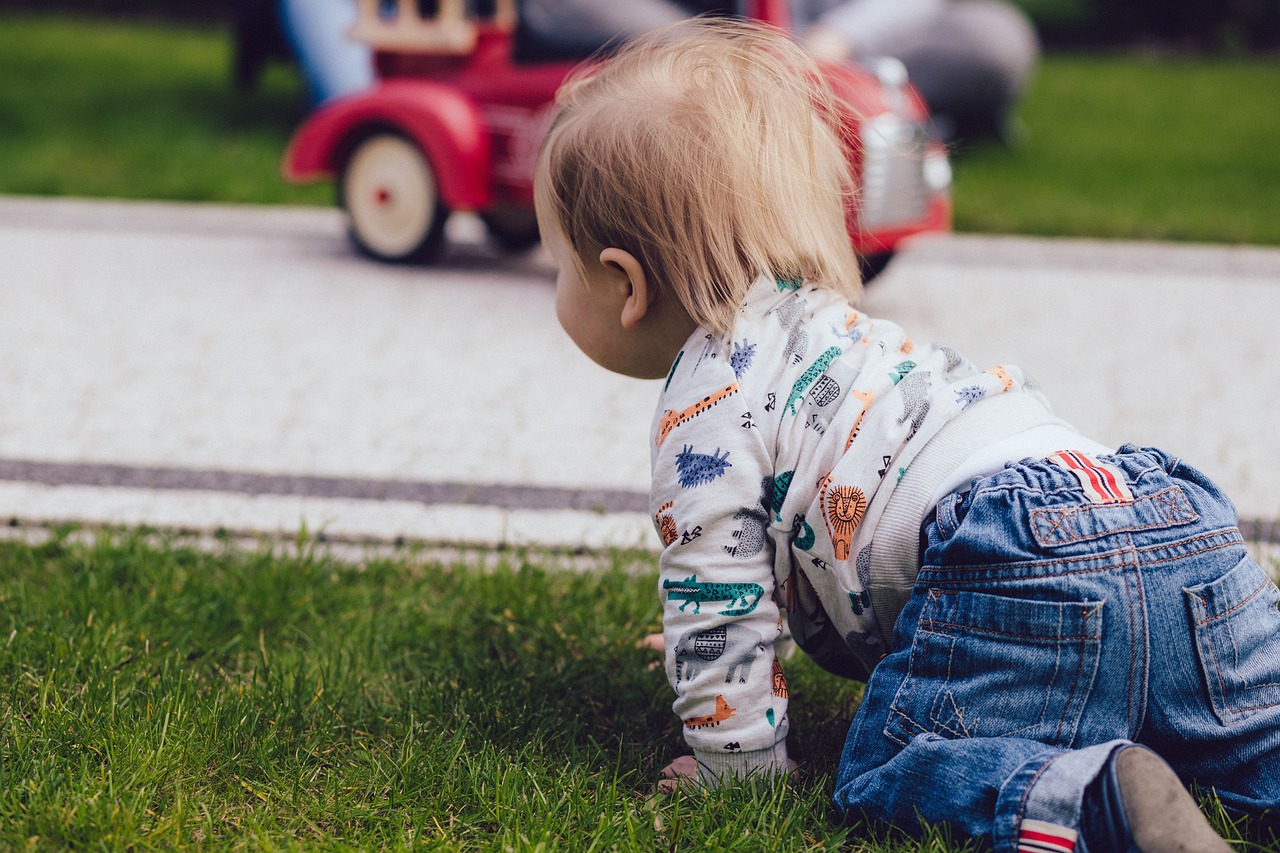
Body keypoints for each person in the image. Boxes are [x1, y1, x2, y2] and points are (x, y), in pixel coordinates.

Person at [532, 18, 1280, 852]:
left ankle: (1090, 799)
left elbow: (717, 596)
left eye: (558, 262)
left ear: (624, 283)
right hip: (1170, 514)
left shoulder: (704, 398)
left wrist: (730, 761)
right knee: (1251, 739)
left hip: (1013, 554)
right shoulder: (845, 338)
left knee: (892, 767)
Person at [796, 0, 1039, 144]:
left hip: (897, 39)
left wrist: (839, 34)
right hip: (784, 48)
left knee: (993, 38)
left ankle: (912, 121)